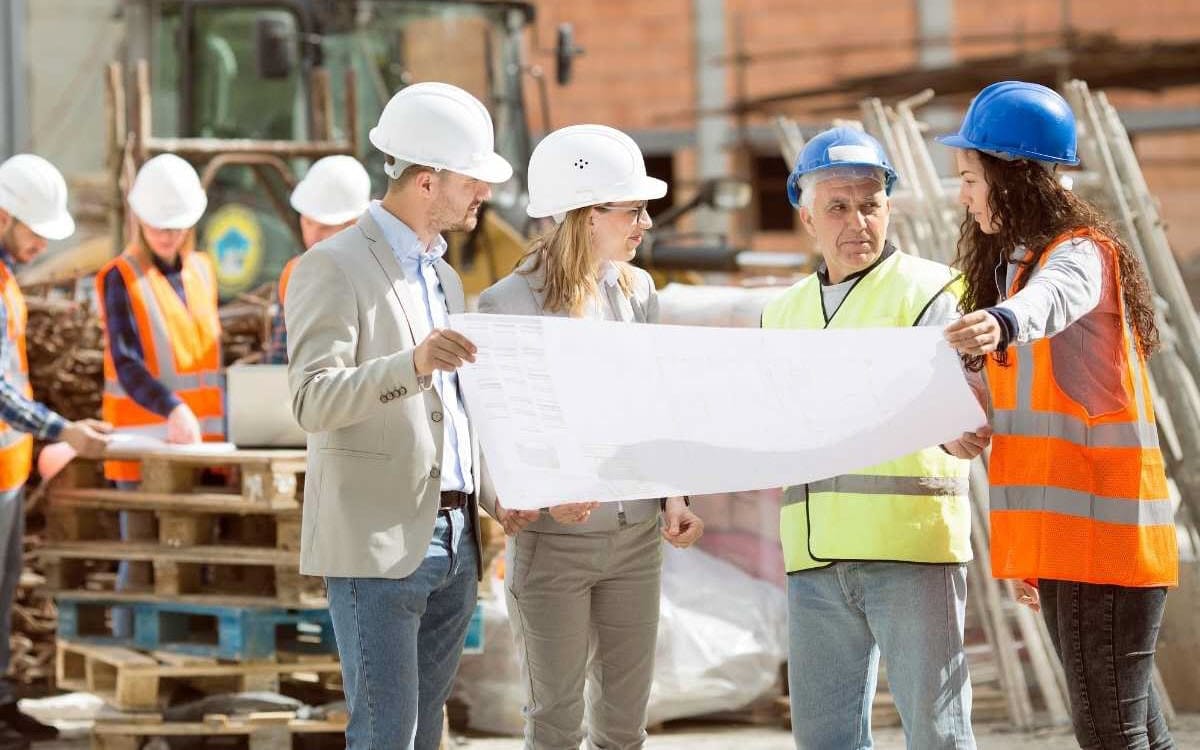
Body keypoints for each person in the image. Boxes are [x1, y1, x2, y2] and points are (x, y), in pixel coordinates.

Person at [940, 80, 1178, 750]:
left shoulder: (1076, 256)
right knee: (1133, 736)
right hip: (1077, 546)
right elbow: (1031, 399)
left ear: (1012, 178)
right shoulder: (1013, 268)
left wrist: (1003, 322)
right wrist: (972, 419)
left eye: (969, 177)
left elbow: (1055, 299)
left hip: (1102, 546)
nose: (963, 193)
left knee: (1111, 737)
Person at [285, 81, 512, 750]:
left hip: (454, 539)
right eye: (473, 178)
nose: (484, 195)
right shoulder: (331, 266)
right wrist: (409, 365)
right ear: (427, 179)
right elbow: (312, 399)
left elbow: (458, 415)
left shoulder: (443, 277)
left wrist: (501, 499)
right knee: (385, 736)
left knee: (423, 735)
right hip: (380, 544)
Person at [477, 124, 705, 750]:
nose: (645, 223)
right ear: (584, 215)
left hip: (636, 541)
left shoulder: (638, 292)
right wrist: (533, 493)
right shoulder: (507, 305)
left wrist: (676, 496)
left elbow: (656, 406)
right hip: (556, 546)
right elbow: (493, 427)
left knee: (625, 727)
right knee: (554, 722)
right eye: (632, 210)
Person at [760, 127, 986, 750]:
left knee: (937, 735)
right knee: (825, 740)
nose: (857, 220)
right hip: (813, 560)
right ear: (806, 215)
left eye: (871, 203)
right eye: (837, 206)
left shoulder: (937, 290)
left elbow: (965, 402)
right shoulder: (779, 313)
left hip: (911, 551)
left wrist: (963, 425)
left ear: (890, 207)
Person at [0, 154, 111, 748]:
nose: (42, 242)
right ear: (4, 215)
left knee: (3, 591)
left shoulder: (7, 279)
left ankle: (2, 705)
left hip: (8, 472)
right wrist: (61, 430)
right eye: (34, 229)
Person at [96, 153, 224, 634]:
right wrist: (171, 407)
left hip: (202, 446)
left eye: (176, 227)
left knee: (188, 557)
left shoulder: (203, 271)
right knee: (142, 554)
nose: (167, 236)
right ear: (139, 221)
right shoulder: (120, 276)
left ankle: (179, 651)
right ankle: (132, 648)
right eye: (157, 227)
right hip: (143, 443)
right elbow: (126, 361)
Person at [264, 155, 371, 364]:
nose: (312, 237)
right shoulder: (294, 273)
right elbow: (280, 359)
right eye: (308, 223)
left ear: (355, 223)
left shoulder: (382, 274)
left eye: (325, 227)